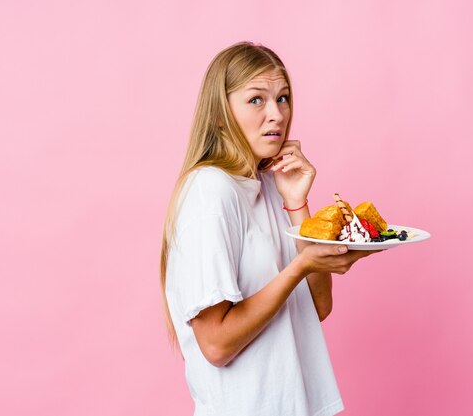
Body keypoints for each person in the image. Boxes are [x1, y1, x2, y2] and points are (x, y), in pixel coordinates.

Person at [160, 41, 378, 416]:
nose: (276, 114)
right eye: (256, 100)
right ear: (219, 113)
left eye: (283, 98)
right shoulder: (210, 191)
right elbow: (215, 345)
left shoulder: (268, 183)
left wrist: (297, 204)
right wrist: (301, 266)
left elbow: (319, 307)